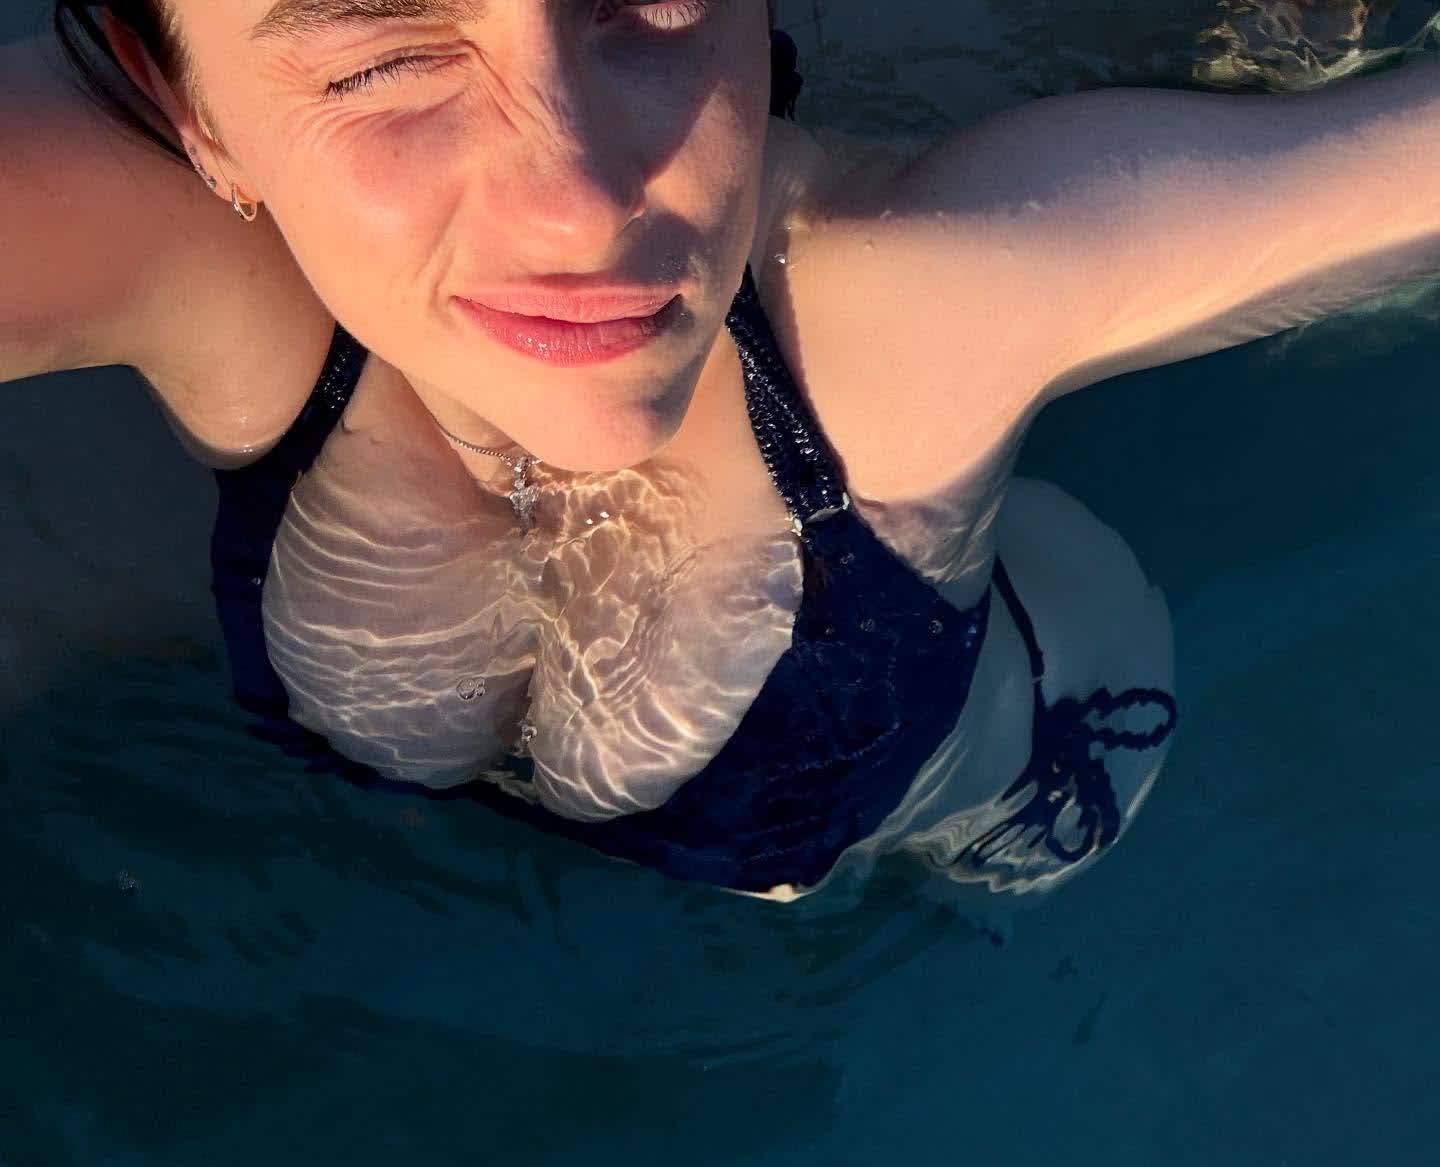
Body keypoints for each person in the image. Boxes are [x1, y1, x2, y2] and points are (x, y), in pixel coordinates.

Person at [5, 3, 1437, 902]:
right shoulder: (194, 245)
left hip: (1033, 748)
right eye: (383, 54)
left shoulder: (921, 300)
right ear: (189, 109)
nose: (577, 207)